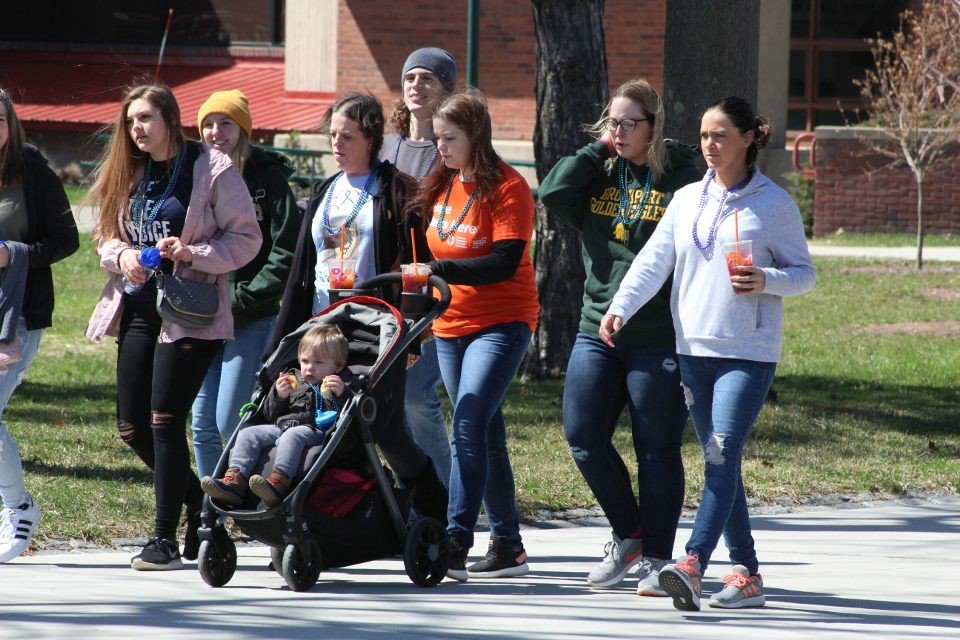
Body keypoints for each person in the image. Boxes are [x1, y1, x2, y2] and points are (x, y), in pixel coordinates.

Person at [602, 96, 816, 610]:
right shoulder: (686, 199)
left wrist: (767, 278)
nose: (709, 145)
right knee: (724, 461)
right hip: (694, 347)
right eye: (703, 136)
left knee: (720, 455)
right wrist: (620, 309)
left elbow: (805, 274)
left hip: (748, 351)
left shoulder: (773, 204)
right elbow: (654, 262)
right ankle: (747, 572)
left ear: (747, 139)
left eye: (720, 135)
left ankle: (693, 562)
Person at [85, 83, 261, 571]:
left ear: (169, 117)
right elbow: (106, 237)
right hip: (139, 310)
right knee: (131, 426)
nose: (137, 129)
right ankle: (200, 505)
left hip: (190, 312)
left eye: (145, 118)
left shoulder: (212, 168)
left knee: (165, 420)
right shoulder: (132, 171)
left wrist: (192, 253)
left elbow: (247, 238)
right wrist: (122, 256)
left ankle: (161, 540)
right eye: (131, 122)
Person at [538, 79, 702, 593]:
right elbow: (552, 192)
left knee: (656, 448)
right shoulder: (599, 169)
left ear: (655, 126)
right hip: (598, 326)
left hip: (657, 332)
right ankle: (629, 533)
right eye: (613, 121)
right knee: (583, 436)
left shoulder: (680, 171)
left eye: (631, 122)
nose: (619, 131)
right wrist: (601, 146)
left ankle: (657, 555)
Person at [270, 92, 447, 525]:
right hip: (322, 325)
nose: (336, 144)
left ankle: (430, 504)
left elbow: (413, 266)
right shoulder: (324, 191)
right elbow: (302, 271)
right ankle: (336, 513)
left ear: (371, 138)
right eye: (332, 135)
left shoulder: (396, 189)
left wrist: (409, 336)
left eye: (346, 136)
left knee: (384, 430)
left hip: (375, 329)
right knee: (316, 421)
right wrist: (281, 342)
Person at [410, 89, 539, 581]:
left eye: (450, 138)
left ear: (476, 136)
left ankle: (456, 538)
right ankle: (508, 544)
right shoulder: (442, 182)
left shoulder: (508, 187)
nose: (440, 147)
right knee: (485, 432)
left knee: (466, 422)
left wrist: (439, 268)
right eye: (437, 137)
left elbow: (505, 263)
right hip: (450, 324)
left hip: (502, 321)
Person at [190, 89, 299, 481]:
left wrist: (243, 296)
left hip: (248, 315)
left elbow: (286, 249)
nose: (216, 131)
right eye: (208, 124)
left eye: (226, 123)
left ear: (243, 129)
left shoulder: (268, 178)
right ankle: (212, 510)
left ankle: (248, 489)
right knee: (200, 424)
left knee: (226, 421)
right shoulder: (195, 174)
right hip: (201, 312)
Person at [0, 89, 79, 563]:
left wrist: (15, 255)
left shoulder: (32, 169)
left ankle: (20, 508)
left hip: (16, 314)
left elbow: (66, 239)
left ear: (12, 123)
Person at [380, 47, 457, 491]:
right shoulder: (386, 148)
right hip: (389, 291)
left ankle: (443, 496)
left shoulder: (452, 151)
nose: (417, 86)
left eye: (428, 78)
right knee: (385, 401)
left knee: (415, 397)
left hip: (439, 294)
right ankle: (407, 492)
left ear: (448, 88)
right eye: (411, 77)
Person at [202, 324, 349, 507]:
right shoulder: (292, 377)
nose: (309, 368)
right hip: (280, 426)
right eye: (304, 361)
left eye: (318, 363)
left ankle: (279, 481)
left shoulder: (338, 385)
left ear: (338, 365)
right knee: (248, 433)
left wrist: (342, 394)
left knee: (292, 435)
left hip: (314, 430)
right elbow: (269, 415)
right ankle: (235, 481)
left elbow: (346, 416)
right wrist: (279, 395)